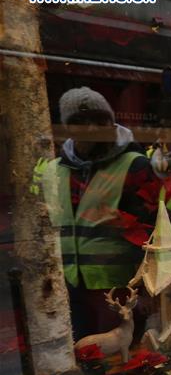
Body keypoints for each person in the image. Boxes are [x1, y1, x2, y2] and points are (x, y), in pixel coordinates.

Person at [35, 86, 158, 339]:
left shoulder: (134, 165)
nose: (91, 129)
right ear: (67, 127)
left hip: (118, 287)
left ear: (111, 123)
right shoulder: (53, 170)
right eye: (79, 121)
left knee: (121, 359)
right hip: (67, 285)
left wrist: (147, 290)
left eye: (99, 120)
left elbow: (154, 234)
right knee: (80, 354)